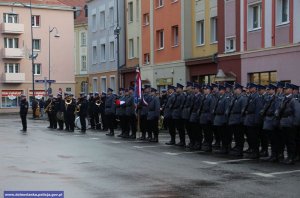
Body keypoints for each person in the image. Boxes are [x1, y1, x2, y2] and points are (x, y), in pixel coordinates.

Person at [226, 83, 246, 156]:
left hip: (238, 120)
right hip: (233, 119)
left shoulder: (242, 98)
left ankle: (240, 148)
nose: (234, 90)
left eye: (235, 89)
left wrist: (241, 120)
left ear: (239, 89)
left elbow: (243, 110)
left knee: (239, 135)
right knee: (236, 135)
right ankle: (237, 146)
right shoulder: (235, 98)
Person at [212, 85, 231, 154]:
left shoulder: (226, 98)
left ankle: (226, 147)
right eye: (219, 90)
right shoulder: (220, 98)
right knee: (221, 134)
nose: (219, 91)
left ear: (223, 90)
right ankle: (223, 147)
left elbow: (226, 110)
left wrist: (225, 120)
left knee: (224, 134)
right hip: (218, 118)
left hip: (222, 118)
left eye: (220, 90)